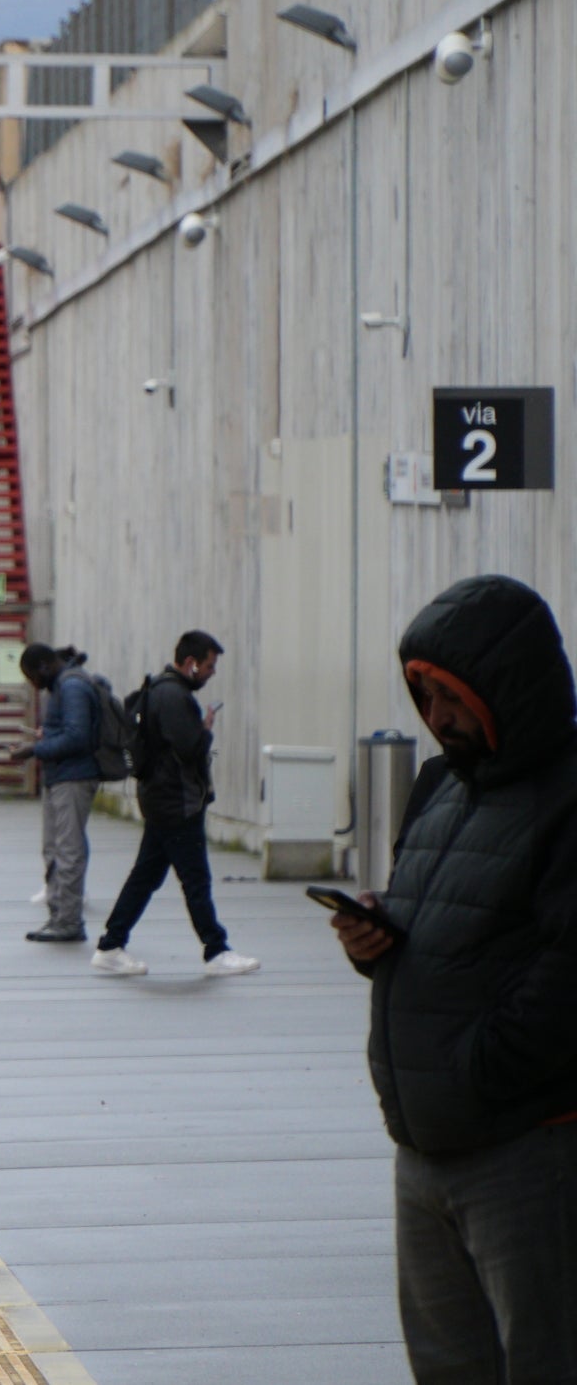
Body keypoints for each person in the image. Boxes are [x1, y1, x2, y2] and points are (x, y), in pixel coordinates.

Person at [330, 575, 577, 1381]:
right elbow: (432, 924)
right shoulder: (440, 786)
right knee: (447, 1367)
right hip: (424, 1145)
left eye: (450, 697)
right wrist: (375, 941)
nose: (435, 719)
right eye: (423, 695)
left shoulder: (567, 795)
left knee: (543, 1357)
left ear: (505, 688)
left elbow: (568, 972)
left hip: (528, 1149)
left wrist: (477, 1070)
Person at [91, 629, 260, 977]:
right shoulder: (175, 696)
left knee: (146, 876)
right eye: (210, 666)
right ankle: (216, 950)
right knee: (195, 879)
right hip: (177, 803)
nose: (212, 673)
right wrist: (206, 728)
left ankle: (110, 945)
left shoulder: (160, 690)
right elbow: (189, 748)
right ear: (190, 663)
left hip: (160, 799)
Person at [9, 642, 95, 942]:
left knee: (68, 851)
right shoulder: (61, 686)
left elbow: (77, 737)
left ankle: (69, 921)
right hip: (59, 777)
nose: (34, 685)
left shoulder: (71, 687)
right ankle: (59, 916)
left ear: (44, 666)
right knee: (55, 848)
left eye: (32, 677)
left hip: (73, 779)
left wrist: (35, 748)